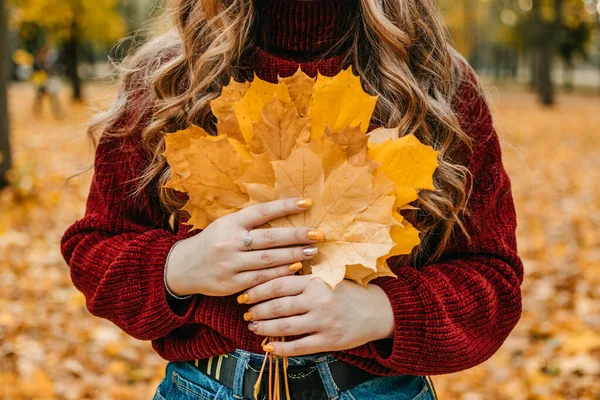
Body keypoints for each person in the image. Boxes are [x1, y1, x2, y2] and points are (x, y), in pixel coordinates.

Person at [60, 0, 524, 399]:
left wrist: (382, 312)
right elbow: (95, 251)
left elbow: (493, 282)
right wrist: (181, 266)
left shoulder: (433, 84)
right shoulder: (167, 80)